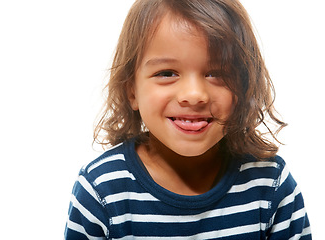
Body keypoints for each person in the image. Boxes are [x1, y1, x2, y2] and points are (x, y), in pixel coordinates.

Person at [64, 0, 311, 239]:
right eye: (167, 73)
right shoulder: (100, 191)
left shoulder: (271, 184)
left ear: (244, 86)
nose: (194, 95)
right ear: (132, 92)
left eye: (217, 73)